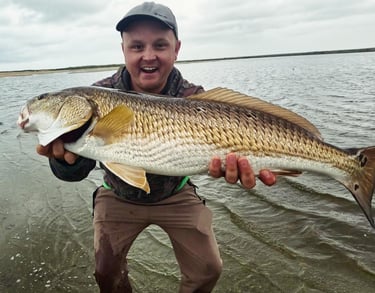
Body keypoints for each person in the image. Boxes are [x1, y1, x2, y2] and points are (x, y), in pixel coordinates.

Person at [36, 2, 276, 292]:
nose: (148, 56)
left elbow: (228, 148)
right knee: (105, 273)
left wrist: (241, 166)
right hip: (118, 194)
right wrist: (64, 162)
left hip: (176, 193)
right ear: (123, 50)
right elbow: (77, 169)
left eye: (160, 45)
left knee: (209, 269)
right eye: (136, 46)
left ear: (176, 49)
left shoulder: (194, 98)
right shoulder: (98, 95)